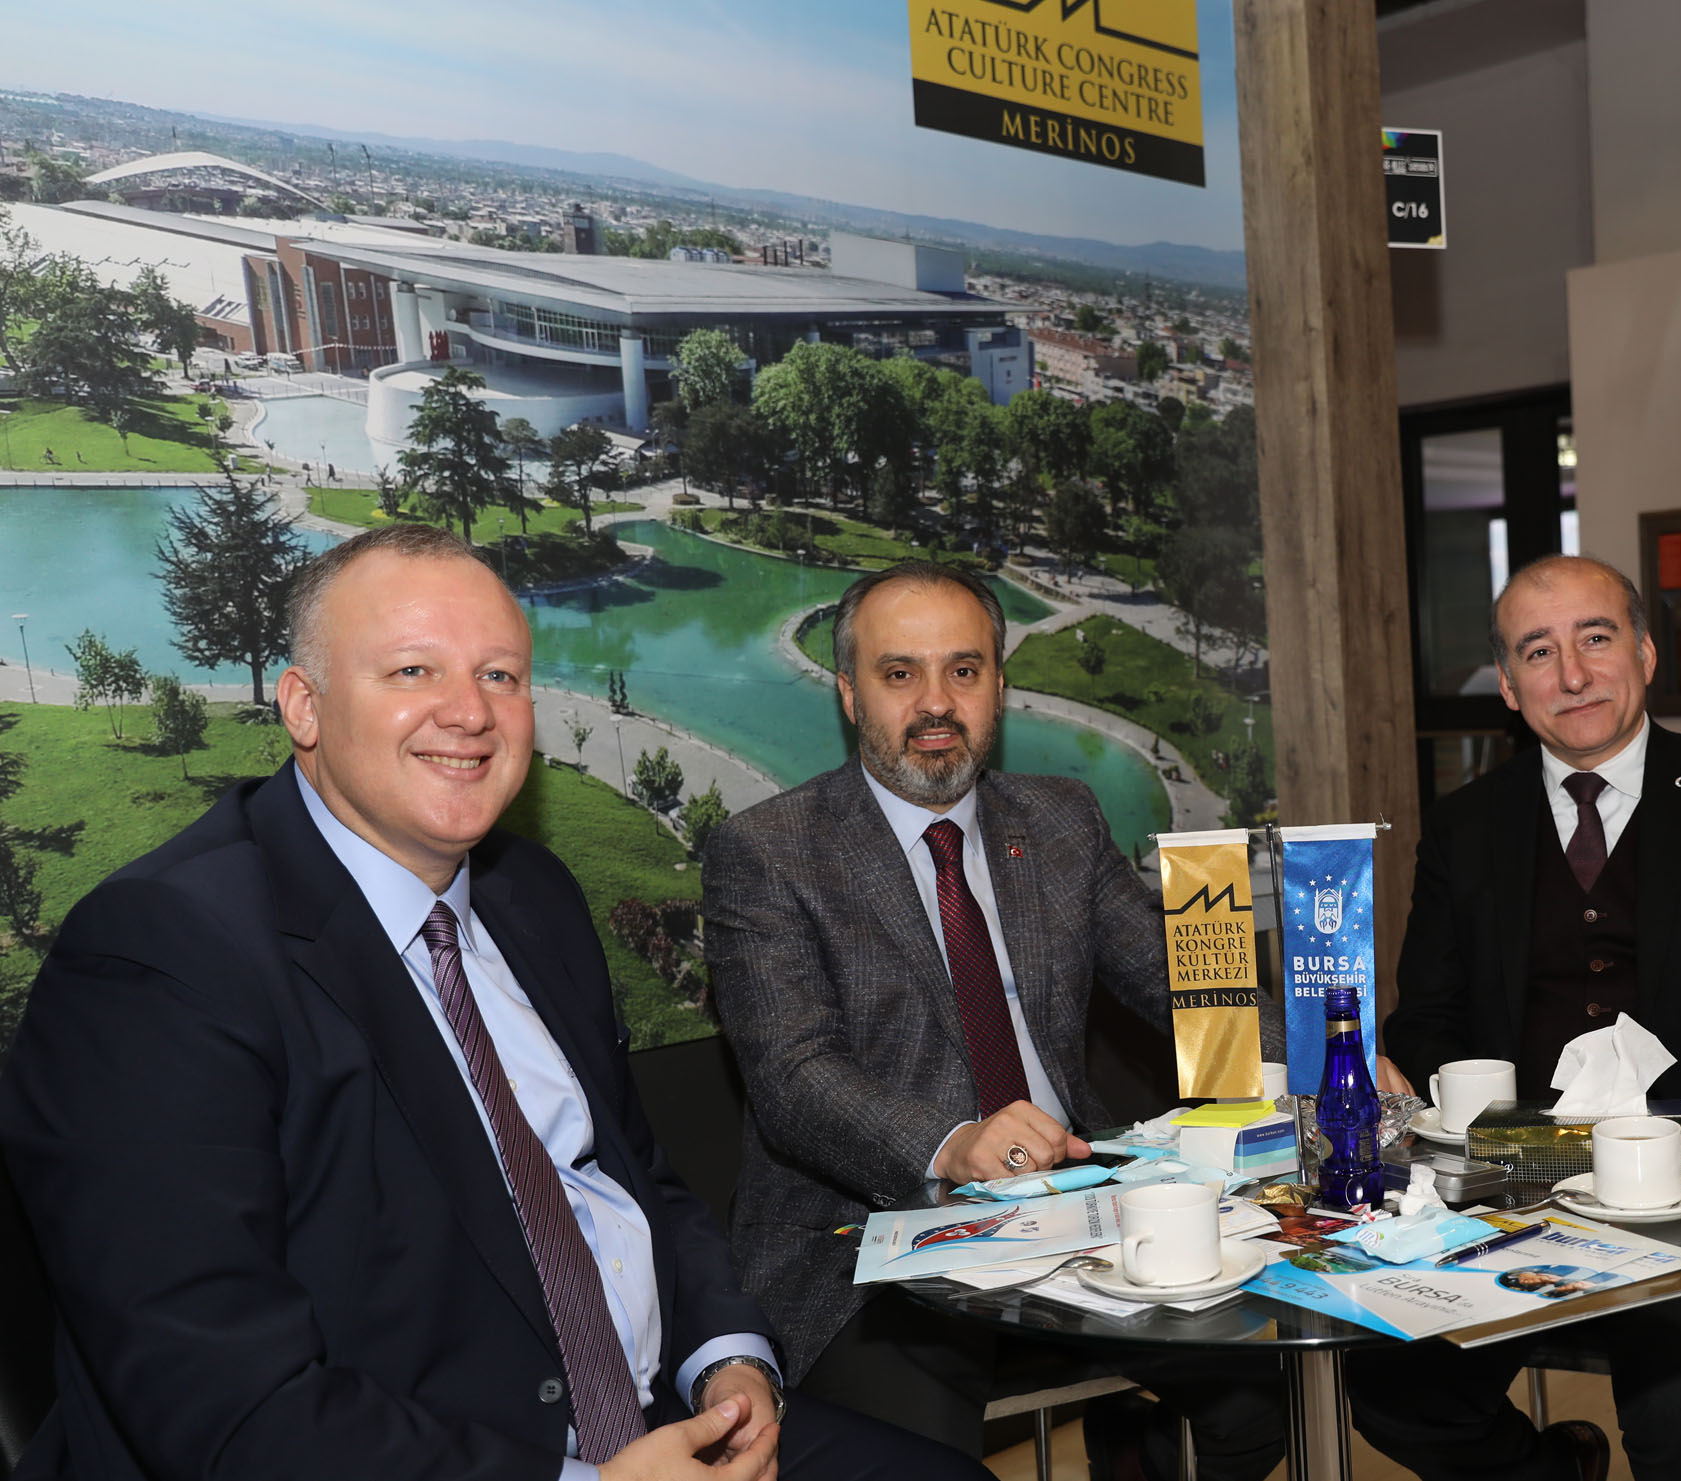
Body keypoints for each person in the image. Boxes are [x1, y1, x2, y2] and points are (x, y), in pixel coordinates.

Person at [0, 524, 980, 1481]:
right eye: (413, 670)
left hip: (661, 1421)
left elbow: (634, 1179)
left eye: (500, 675)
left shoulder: (532, 895)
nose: (469, 712)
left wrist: (728, 1360)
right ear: (303, 706)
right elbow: (229, 1408)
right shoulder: (157, 958)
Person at [703, 561, 1285, 1480]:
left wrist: (1334, 1059)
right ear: (850, 692)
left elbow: (1188, 985)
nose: (936, 702)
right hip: (875, 1248)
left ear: (1000, 686)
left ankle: (1138, 1457)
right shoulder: (768, 851)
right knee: (925, 1467)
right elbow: (793, 1076)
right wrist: (953, 1141)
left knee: (1258, 1402)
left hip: (1080, 1210)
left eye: (964, 670)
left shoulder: (1061, 818)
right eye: (901, 673)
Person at [1356, 553, 1681, 1481]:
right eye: (1539, 651)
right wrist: (1488, 1138)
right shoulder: (1464, 826)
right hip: (1510, 1187)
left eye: (1596, 638)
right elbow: (1428, 1018)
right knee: (1396, 1390)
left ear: (1646, 654)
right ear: (1509, 685)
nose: (1572, 674)